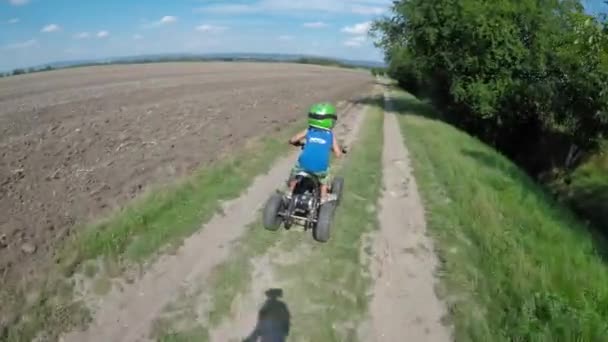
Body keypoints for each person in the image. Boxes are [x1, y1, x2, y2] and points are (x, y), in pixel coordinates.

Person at [285, 102, 343, 204]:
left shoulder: (309, 130)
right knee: (325, 178)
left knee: (296, 172)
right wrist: (335, 150)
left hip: (303, 164)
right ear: (330, 120)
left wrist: (292, 142)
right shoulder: (330, 135)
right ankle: (324, 196)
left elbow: (294, 139)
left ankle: (290, 191)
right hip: (320, 168)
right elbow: (338, 154)